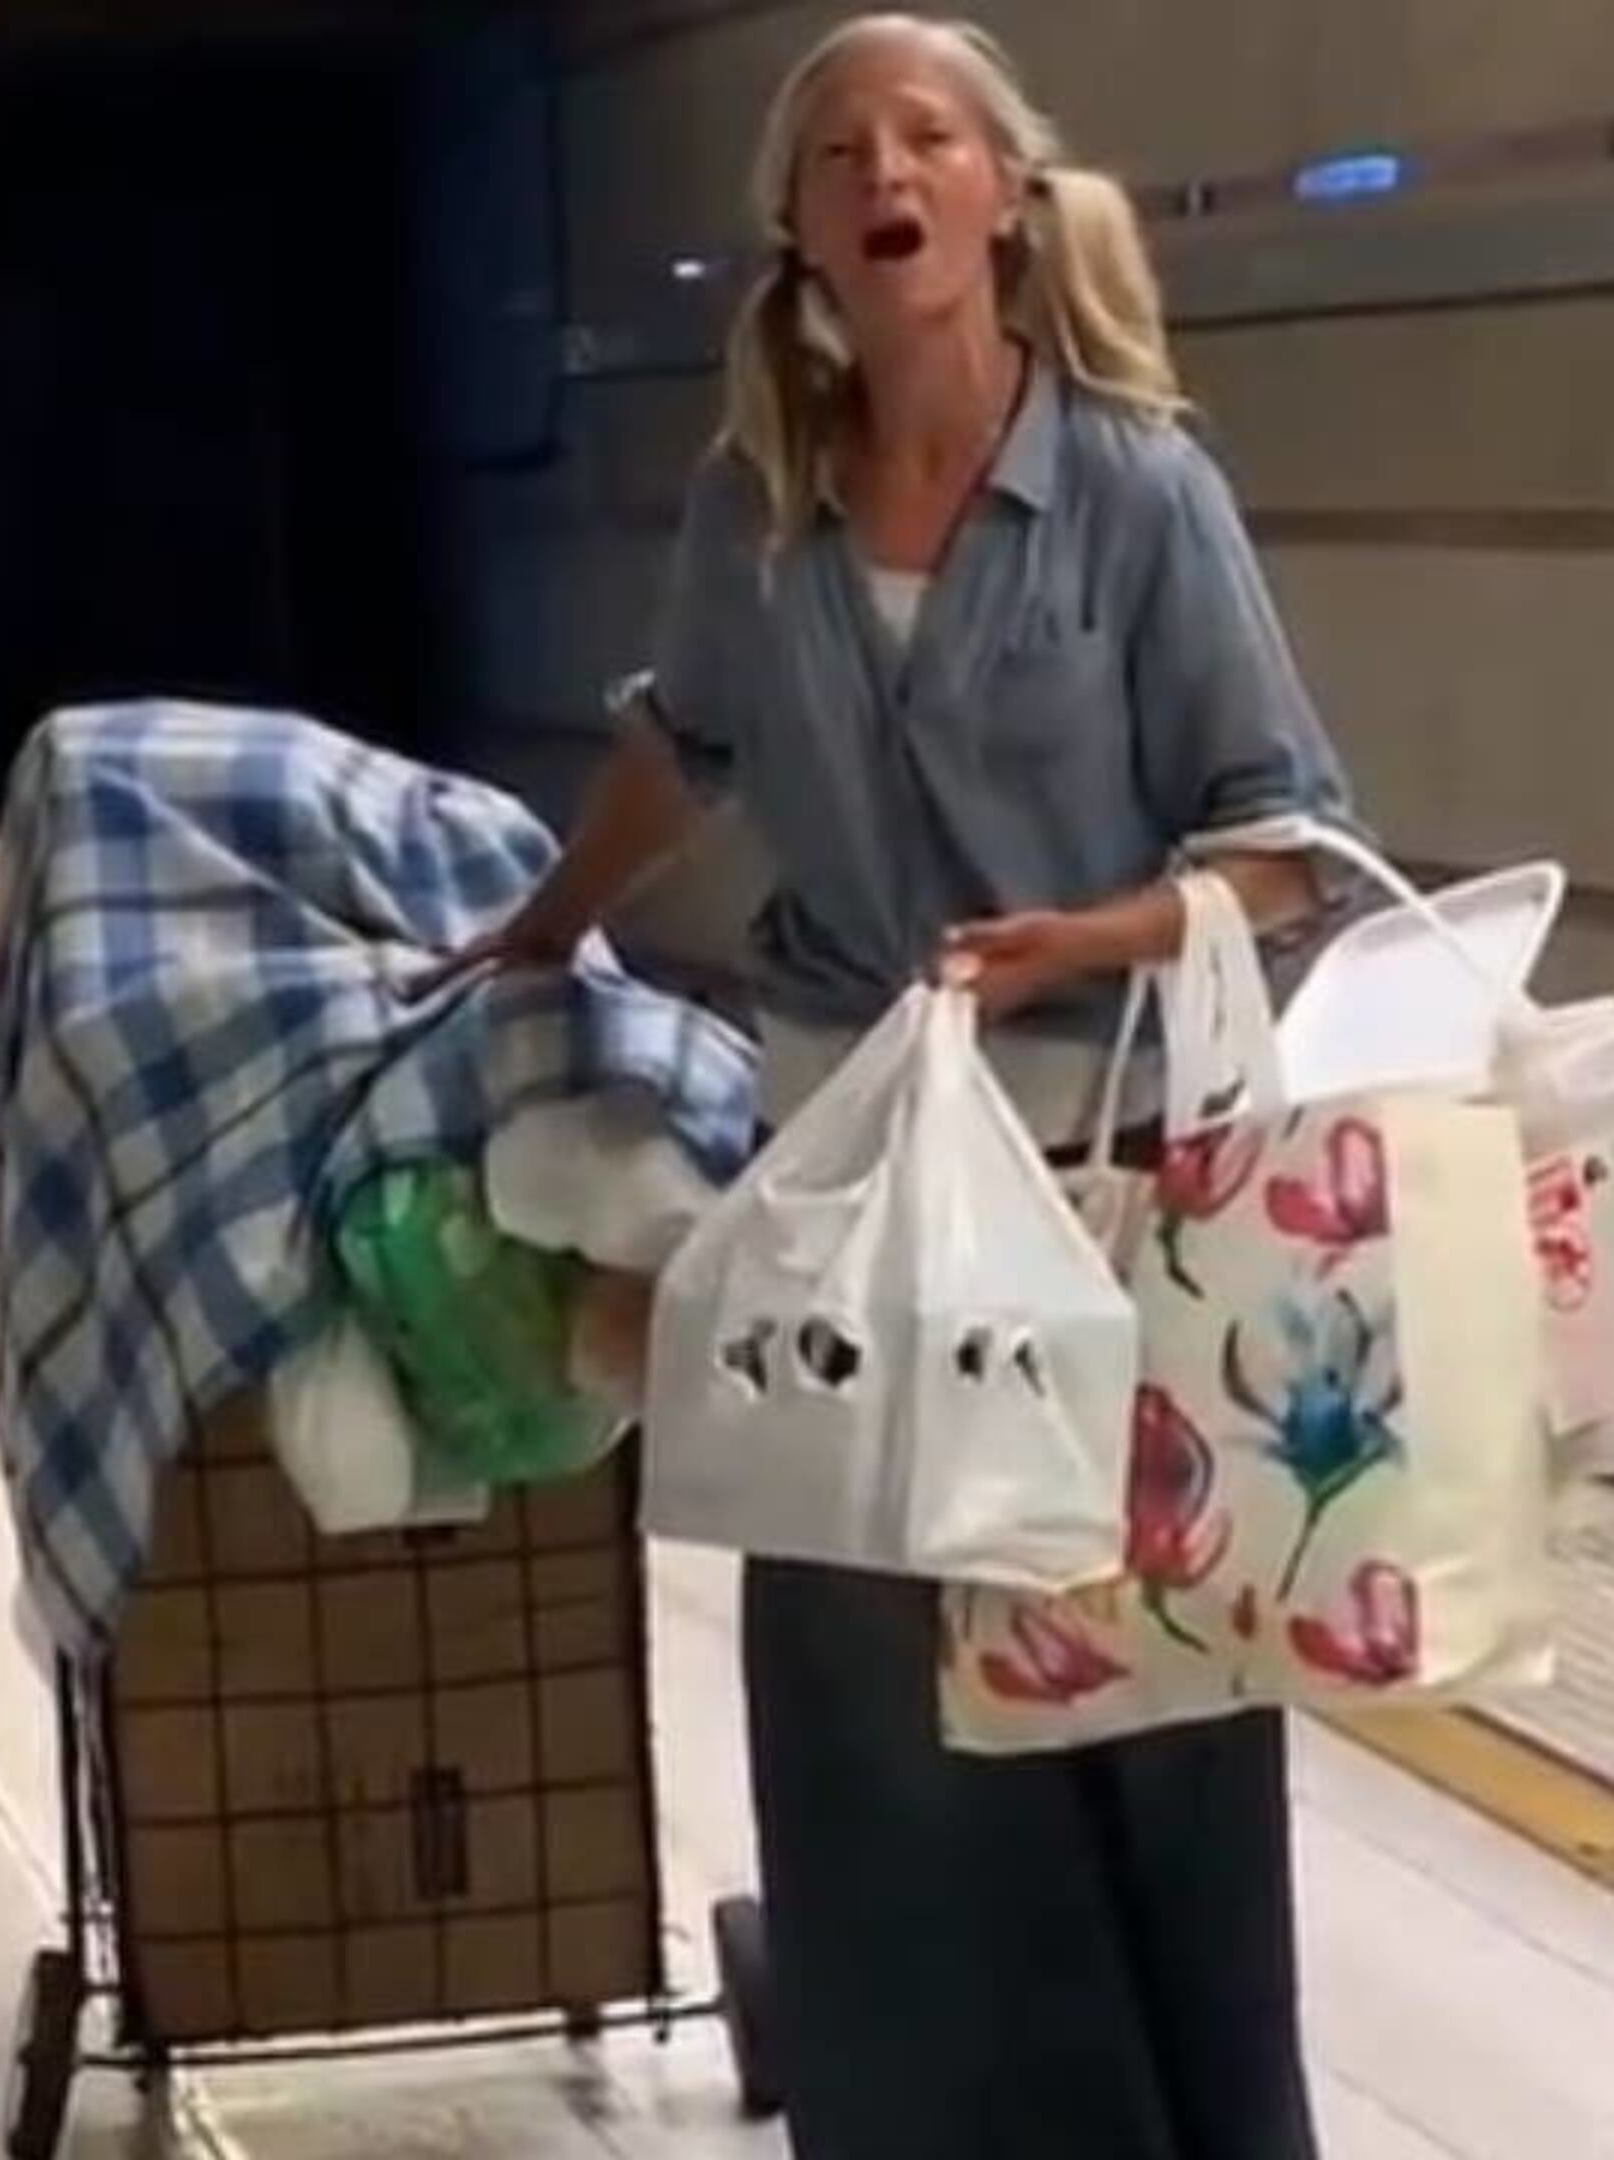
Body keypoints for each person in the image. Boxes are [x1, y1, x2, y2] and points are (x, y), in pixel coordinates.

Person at [447, 15, 1363, 2157]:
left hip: (1097, 1180)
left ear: (1003, 195)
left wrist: (1087, 936)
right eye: (843, 148)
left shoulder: (1135, 487)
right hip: (844, 1173)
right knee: (872, 1700)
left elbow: (1290, 843)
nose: (888, 169)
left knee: (1132, 1685)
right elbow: (688, 743)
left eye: (930, 135)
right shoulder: (758, 506)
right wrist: (544, 926)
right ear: (798, 228)